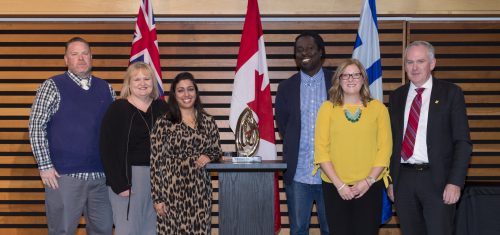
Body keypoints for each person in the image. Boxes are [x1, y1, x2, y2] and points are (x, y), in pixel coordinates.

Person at [28, 37, 114, 235]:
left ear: (92, 57)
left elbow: (112, 132)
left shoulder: (106, 88)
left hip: (101, 178)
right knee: (62, 231)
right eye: (74, 54)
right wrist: (44, 165)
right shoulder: (52, 86)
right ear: (66, 59)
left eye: (85, 53)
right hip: (64, 177)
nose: (81, 58)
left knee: (104, 230)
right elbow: (35, 126)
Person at [387, 41, 472, 235]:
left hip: (439, 181)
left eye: (420, 61)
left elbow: (462, 142)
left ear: (432, 64)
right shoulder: (397, 96)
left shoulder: (451, 93)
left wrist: (455, 182)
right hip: (404, 181)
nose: (414, 67)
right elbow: (390, 142)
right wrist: (391, 180)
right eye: (409, 62)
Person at [314, 59, 392, 235]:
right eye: (345, 75)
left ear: (363, 79)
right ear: (338, 80)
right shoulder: (327, 109)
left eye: (355, 75)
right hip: (335, 187)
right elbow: (321, 150)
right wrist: (340, 186)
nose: (351, 79)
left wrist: (368, 181)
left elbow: (385, 149)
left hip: (369, 187)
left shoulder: (378, 109)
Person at [100, 62, 168, 235]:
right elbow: (107, 149)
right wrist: (119, 183)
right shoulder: (118, 109)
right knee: (128, 230)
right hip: (129, 179)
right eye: (136, 79)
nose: (142, 83)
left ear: (153, 82)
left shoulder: (163, 108)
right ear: (128, 83)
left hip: (159, 179)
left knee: (153, 230)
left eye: (146, 78)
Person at [150, 72, 222, 234]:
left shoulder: (208, 121)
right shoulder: (164, 123)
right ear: (174, 95)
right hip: (171, 193)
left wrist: (208, 155)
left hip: (200, 192)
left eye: (190, 89)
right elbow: (156, 162)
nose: (186, 94)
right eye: (181, 90)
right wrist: (158, 198)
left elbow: (217, 149)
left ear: (196, 93)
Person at [275, 31, 331, 235]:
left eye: (309, 49)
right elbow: (284, 126)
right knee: (298, 229)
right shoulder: (286, 87)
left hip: (333, 175)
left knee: (331, 229)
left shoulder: (337, 82)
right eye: (299, 50)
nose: (304, 53)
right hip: (299, 173)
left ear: (321, 53)